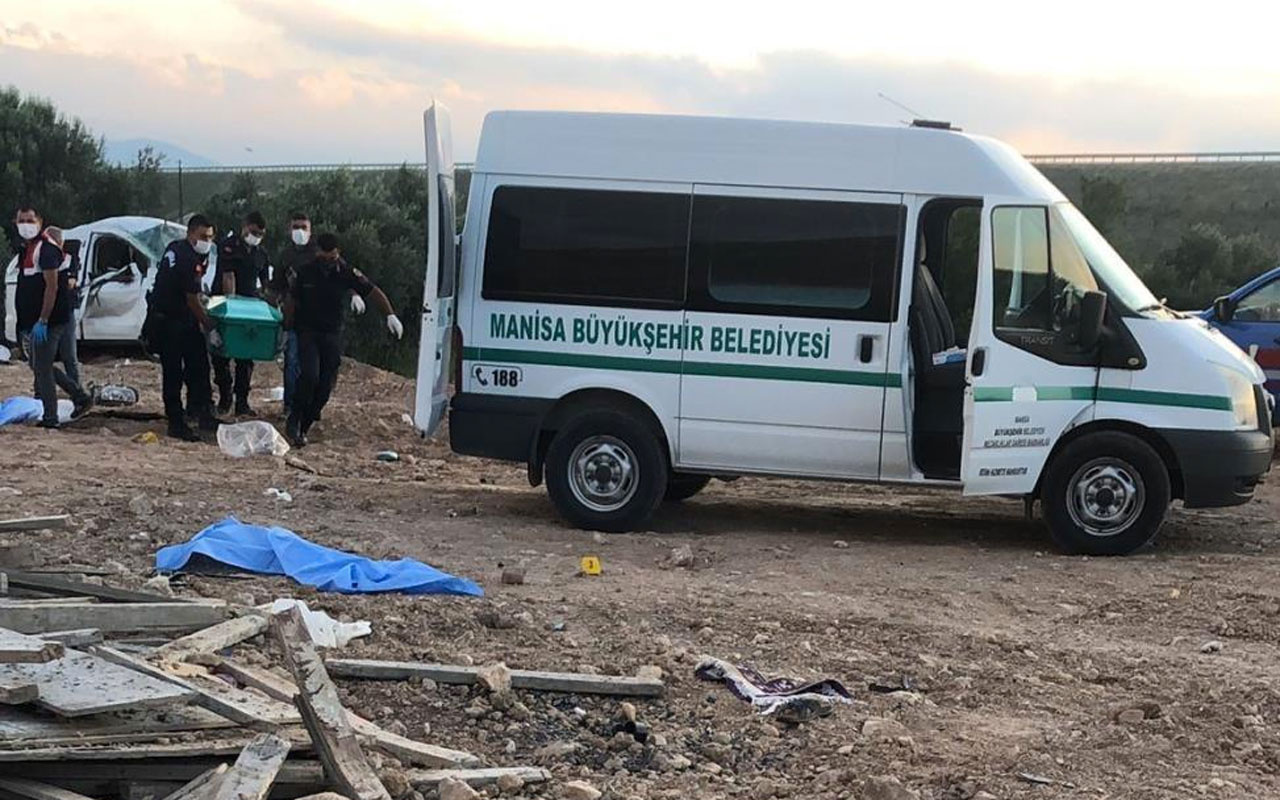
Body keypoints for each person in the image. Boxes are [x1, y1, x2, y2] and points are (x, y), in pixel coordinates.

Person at [285, 232, 402, 447]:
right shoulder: (305, 272)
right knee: (309, 376)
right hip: (308, 331)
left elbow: (372, 291)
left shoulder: (346, 272)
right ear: (317, 252)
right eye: (325, 257)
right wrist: (286, 328)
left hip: (332, 333)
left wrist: (390, 315)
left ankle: (305, 425)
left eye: (333, 257)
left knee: (325, 385)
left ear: (337, 254)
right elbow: (291, 300)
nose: (329, 262)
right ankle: (294, 419)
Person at [12, 205, 91, 428]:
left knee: (43, 368)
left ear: (39, 221)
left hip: (50, 319)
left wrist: (43, 320)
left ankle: (51, 417)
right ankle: (78, 396)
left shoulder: (46, 250)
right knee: (39, 365)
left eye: (29, 220)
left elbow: (52, 287)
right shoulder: (29, 248)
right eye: (22, 221)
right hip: (37, 319)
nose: (25, 225)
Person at [151, 214, 220, 441]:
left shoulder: (181, 249)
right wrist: (209, 324)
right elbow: (191, 298)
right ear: (190, 234)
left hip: (184, 319)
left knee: (199, 367)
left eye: (210, 237)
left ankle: (202, 413)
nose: (206, 241)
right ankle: (176, 422)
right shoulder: (187, 257)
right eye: (202, 236)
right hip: (169, 320)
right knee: (174, 372)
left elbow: (195, 292)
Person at [210, 211, 271, 416]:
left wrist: (270, 305)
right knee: (221, 354)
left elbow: (265, 284)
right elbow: (228, 277)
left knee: (246, 357)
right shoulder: (228, 246)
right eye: (253, 231)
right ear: (244, 227)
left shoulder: (261, 253)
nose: (256, 236)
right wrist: (232, 308)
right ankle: (225, 396)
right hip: (224, 304)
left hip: (250, 308)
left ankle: (242, 401)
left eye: (260, 233)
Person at [266, 212, 317, 419]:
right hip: (292, 318)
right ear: (289, 229)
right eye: (296, 227)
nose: (299, 232)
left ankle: (310, 406)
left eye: (303, 227)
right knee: (292, 362)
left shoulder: (317, 253)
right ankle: (290, 405)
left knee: (314, 366)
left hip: (316, 318)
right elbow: (276, 286)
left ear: (310, 230)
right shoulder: (286, 256)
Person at [45, 227, 89, 407]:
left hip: (64, 312)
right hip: (49, 314)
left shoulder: (68, 258)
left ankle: (76, 394)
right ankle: (43, 395)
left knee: (68, 356)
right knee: (44, 360)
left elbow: (70, 282)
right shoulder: (45, 258)